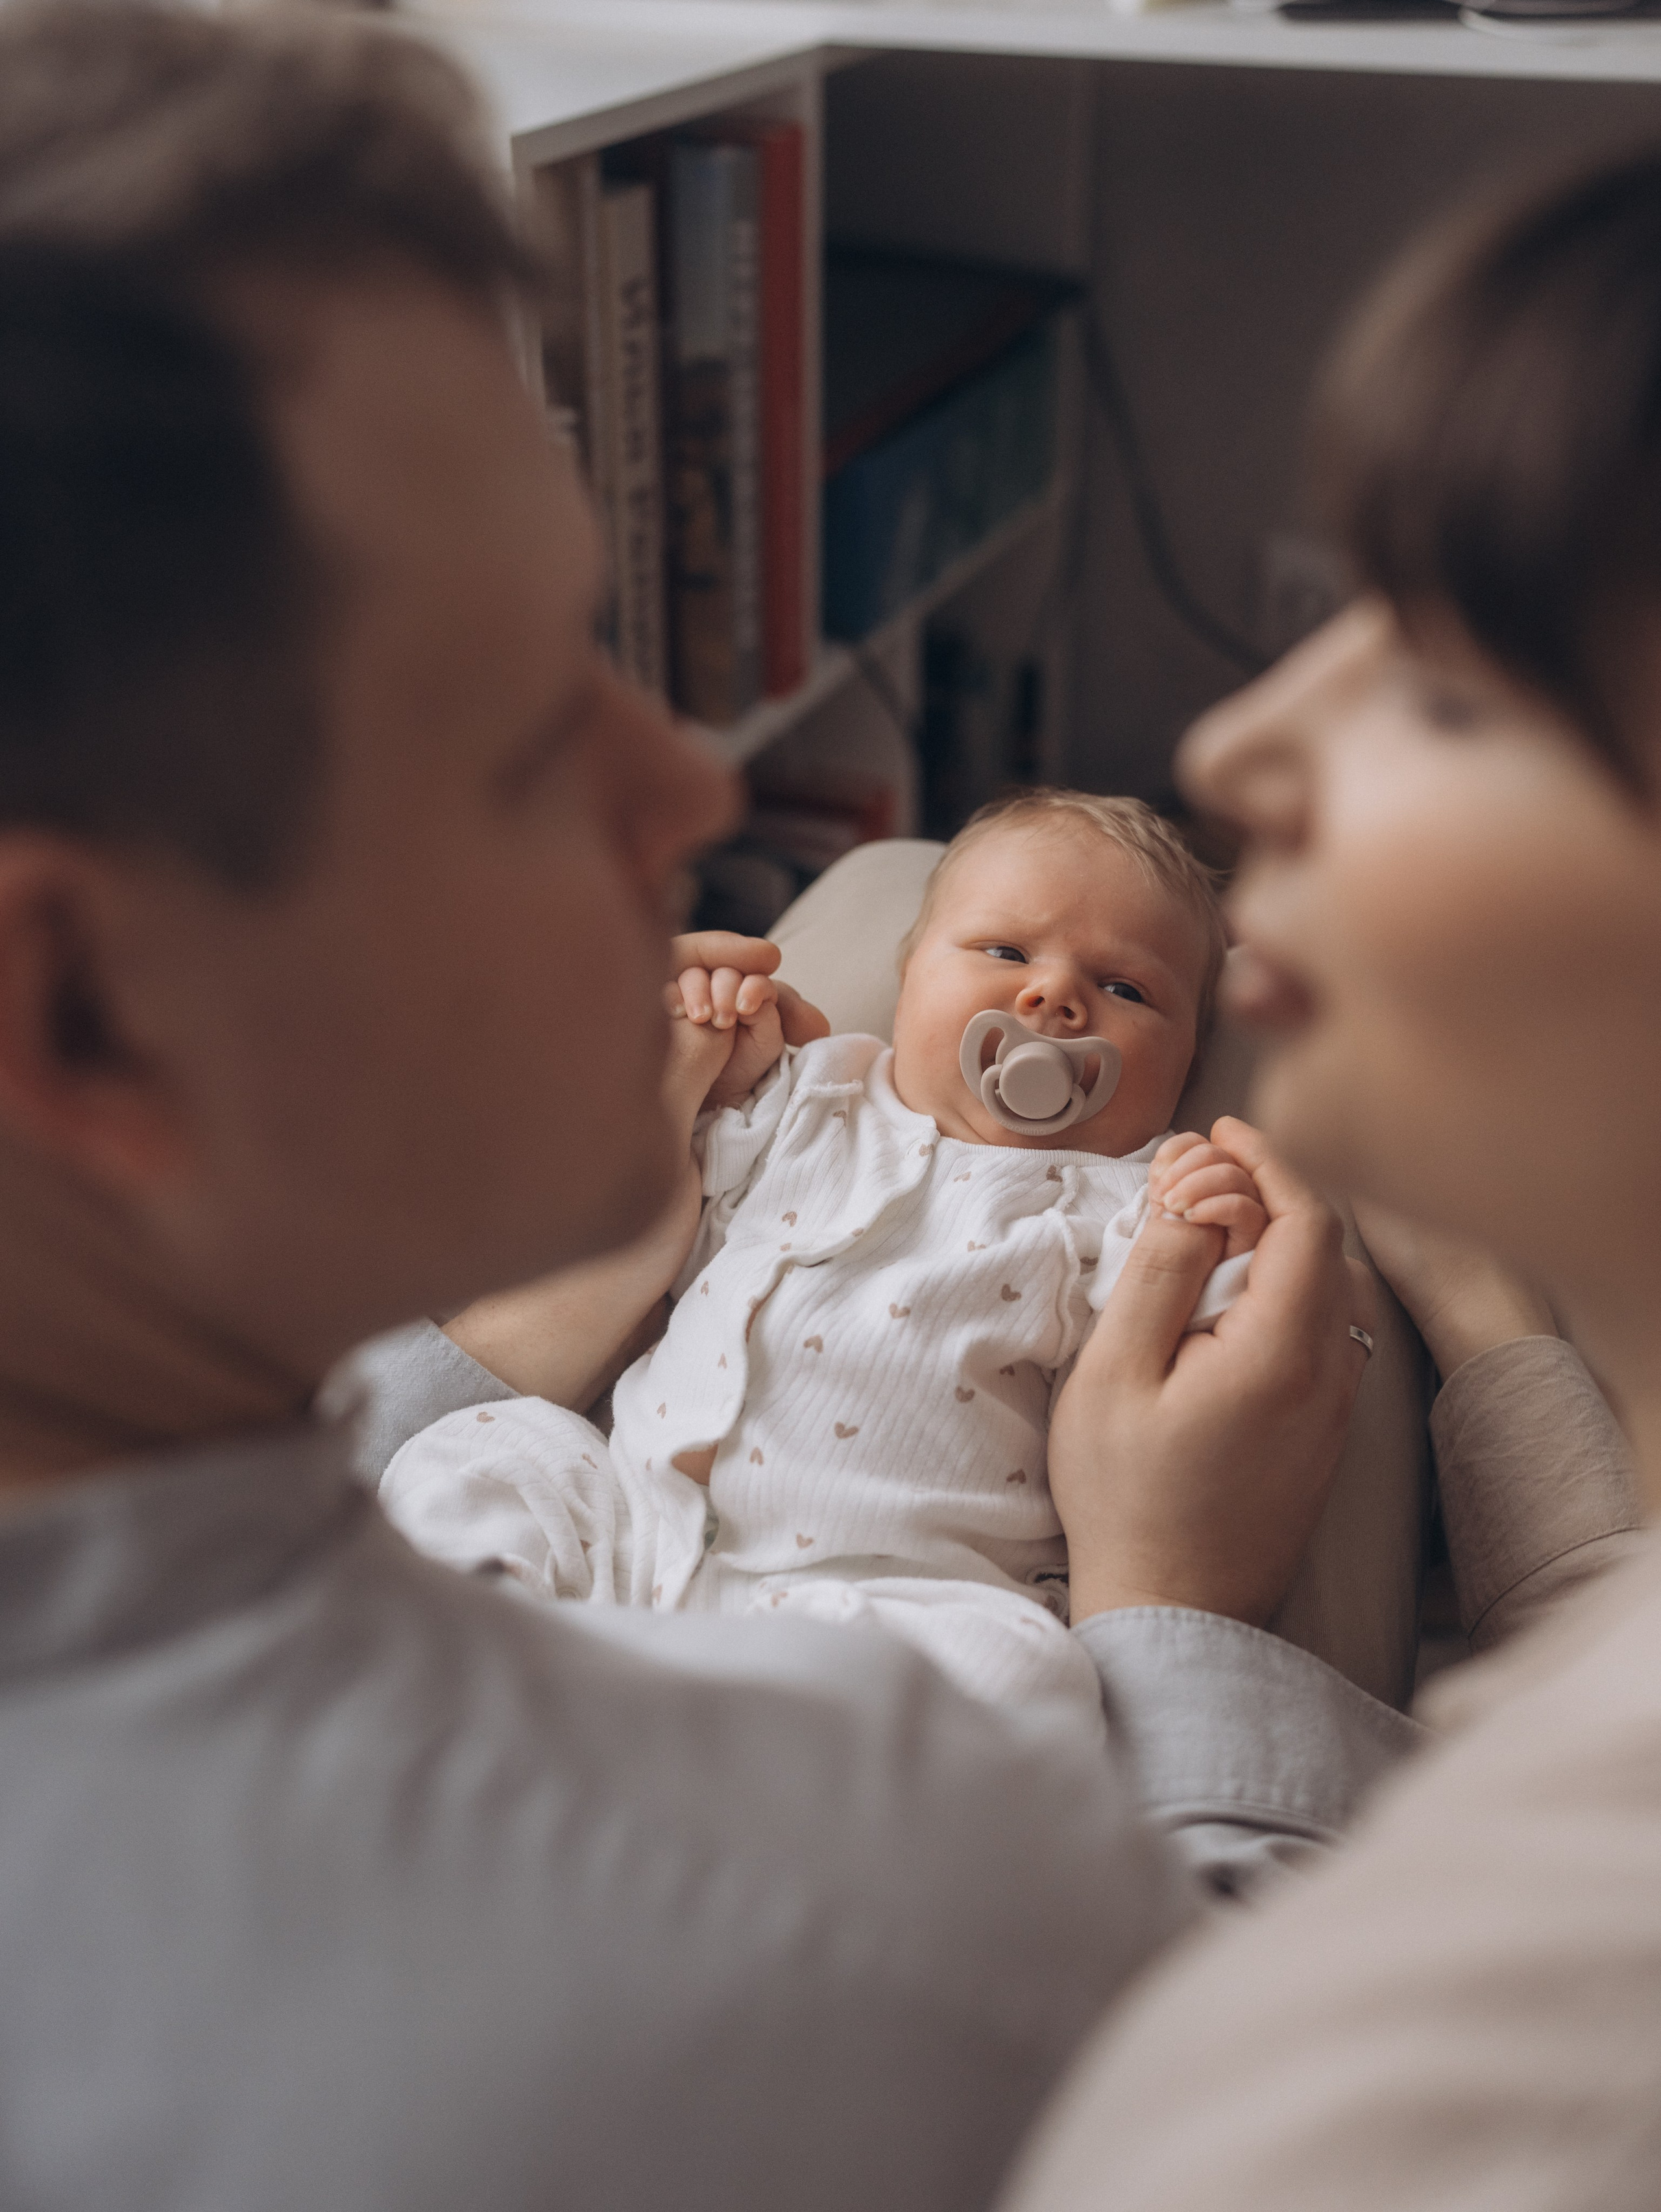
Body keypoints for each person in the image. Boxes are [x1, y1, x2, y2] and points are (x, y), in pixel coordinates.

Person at [0, 7, 1425, 2206]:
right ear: (79, 1009)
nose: (692, 785)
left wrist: (543, 1325)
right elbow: (1315, 2128)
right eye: (511, 735)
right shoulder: (903, 1884)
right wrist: (1168, 1607)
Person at [1000, 147, 1661, 2212]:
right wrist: (1491, 1324)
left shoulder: (1483, 2052)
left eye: (1451, 686)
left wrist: (1163, 1619)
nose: (1239, 743)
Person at [380, 789, 1269, 1728]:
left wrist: (1219, 1233)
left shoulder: (1125, 1200)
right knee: (487, 1449)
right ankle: (479, 1688)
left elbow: (1187, 1346)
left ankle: (703, 1766)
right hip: (642, 1524)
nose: (1052, 995)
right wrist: (715, 1048)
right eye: (1004, 952)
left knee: (1031, 1674)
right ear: (907, 973)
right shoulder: (819, 1093)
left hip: (899, 1602)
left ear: (1186, 1064)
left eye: (1127, 989)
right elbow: (685, 1151)